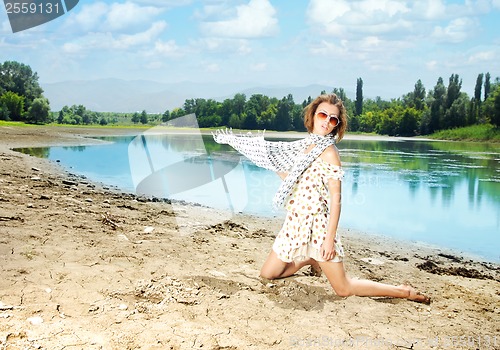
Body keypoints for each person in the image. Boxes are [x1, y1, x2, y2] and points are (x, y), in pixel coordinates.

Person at [213, 93, 430, 304]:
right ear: (313, 115)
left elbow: (336, 200)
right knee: (267, 274)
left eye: (332, 119)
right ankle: (308, 259)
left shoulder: (329, 152)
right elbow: (294, 179)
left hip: (318, 226)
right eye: (322, 115)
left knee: (343, 288)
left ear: (337, 125)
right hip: (295, 220)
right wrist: (268, 160)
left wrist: (329, 239)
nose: (326, 122)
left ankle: (402, 291)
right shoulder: (304, 146)